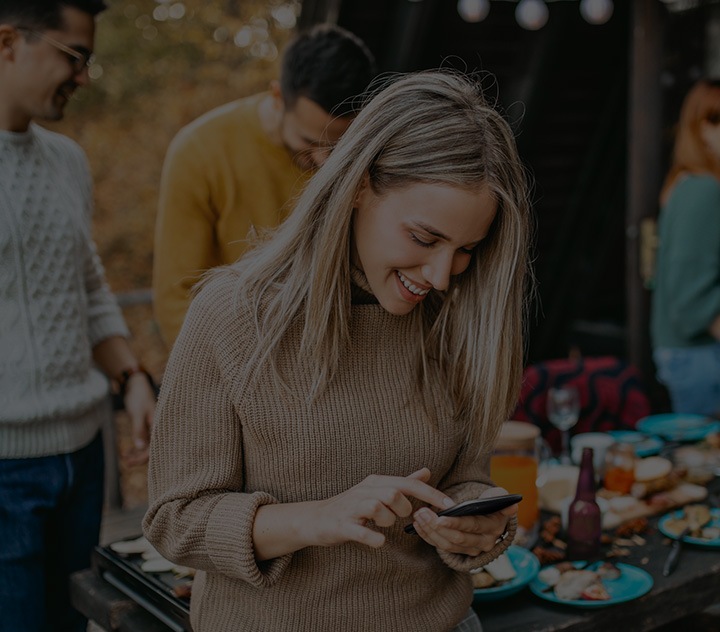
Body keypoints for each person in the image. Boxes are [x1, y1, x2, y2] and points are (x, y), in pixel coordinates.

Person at [144, 69, 532, 632]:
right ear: (357, 186)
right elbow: (176, 521)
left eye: (466, 249)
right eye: (424, 239)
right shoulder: (230, 315)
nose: (443, 276)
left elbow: (464, 479)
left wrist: (477, 526)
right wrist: (317, 518)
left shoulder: (459, 317)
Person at [0, 2, 157, 630]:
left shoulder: (68, 161)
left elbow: (89, 288)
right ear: (8, 41)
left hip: (83, 455)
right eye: (74, 56)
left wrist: (131, 377)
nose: (85, 77)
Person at [153, 23, 377, 348]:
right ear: (277, 97)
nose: (323, 161)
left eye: (338, 145)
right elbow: (177, 296)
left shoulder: (362, 156)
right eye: (308, 141)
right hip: (235, 350)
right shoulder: (199, 150)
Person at [651, 78, 720, 417]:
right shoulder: (704, 190)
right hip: (699, 354)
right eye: (716, 118)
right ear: (699, 128)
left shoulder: (688, 183)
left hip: (690, 353)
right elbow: (691, 297)